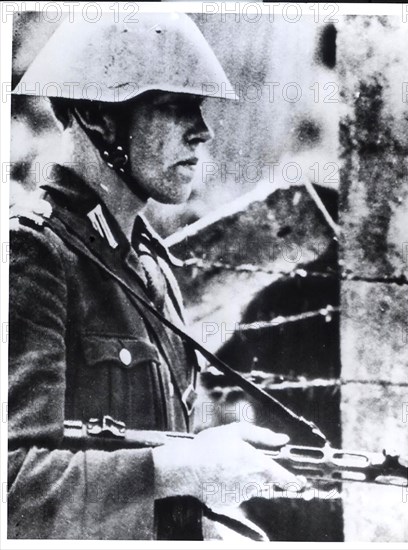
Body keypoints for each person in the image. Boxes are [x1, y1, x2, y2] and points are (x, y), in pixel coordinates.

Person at [8, 13, 301, 540]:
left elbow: (150, 489)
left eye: (199, 108)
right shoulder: (32, 255)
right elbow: (14, 487)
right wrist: (184, 466)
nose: (203, 131)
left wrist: (209, 524)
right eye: (173, 107)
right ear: (99, 118)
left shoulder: (149, 263)